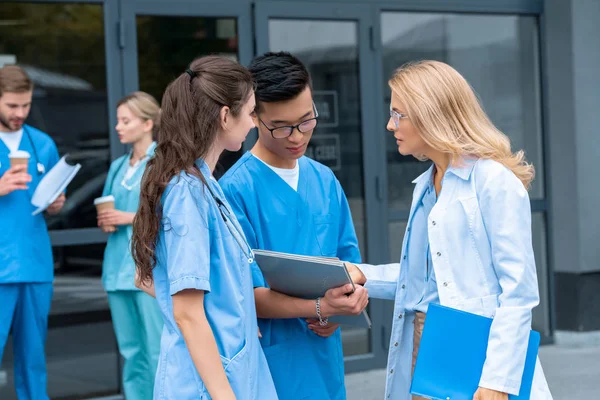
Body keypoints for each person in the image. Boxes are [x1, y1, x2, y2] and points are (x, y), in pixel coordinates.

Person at [345, 60, 553, 400]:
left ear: (431, 114)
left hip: (479, 357)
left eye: (399, 114)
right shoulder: (426, 185)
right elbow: (432, 279)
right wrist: (364, 274)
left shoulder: (493, 182)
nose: (389, 124)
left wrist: (497, 380)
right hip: (428, 348)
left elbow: (518, 293)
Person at [219, 51, 369, 400]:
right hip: (272, 360)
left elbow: (352, 266)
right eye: (282, 126)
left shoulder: (324, 179)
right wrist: (320, 307)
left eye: (307, 120)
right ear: (254, 116)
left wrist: (343, 307)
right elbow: (247, 295)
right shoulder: (235, 190)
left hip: (323, 353)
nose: (297, 136)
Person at [131, 55, 277, 399]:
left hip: (228, 365)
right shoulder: (187, 193)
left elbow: (151, 278)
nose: (254, 123)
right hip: (207, 385)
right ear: (226, 116)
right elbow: (187, 311)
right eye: (251, 111)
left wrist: (235, 316)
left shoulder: (203, 184)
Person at [0, 65, 66, 399]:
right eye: (12, 106)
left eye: (25, 105)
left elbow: (49, 197)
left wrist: (56, 204)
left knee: (33, 360)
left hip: (35, 265)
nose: (20, 113)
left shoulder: (42, 143)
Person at [97, 91, 163, 400]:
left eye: (126, 120)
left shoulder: (162, 163)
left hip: (146, 269)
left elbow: (171, 216)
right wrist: (108, 218)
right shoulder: (117, 166)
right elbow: (110, 208)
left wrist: (129, 216)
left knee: (156, 347)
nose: (118, 127)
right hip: (116, 269)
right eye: (118, 121)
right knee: (131, 351)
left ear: (148, 122)